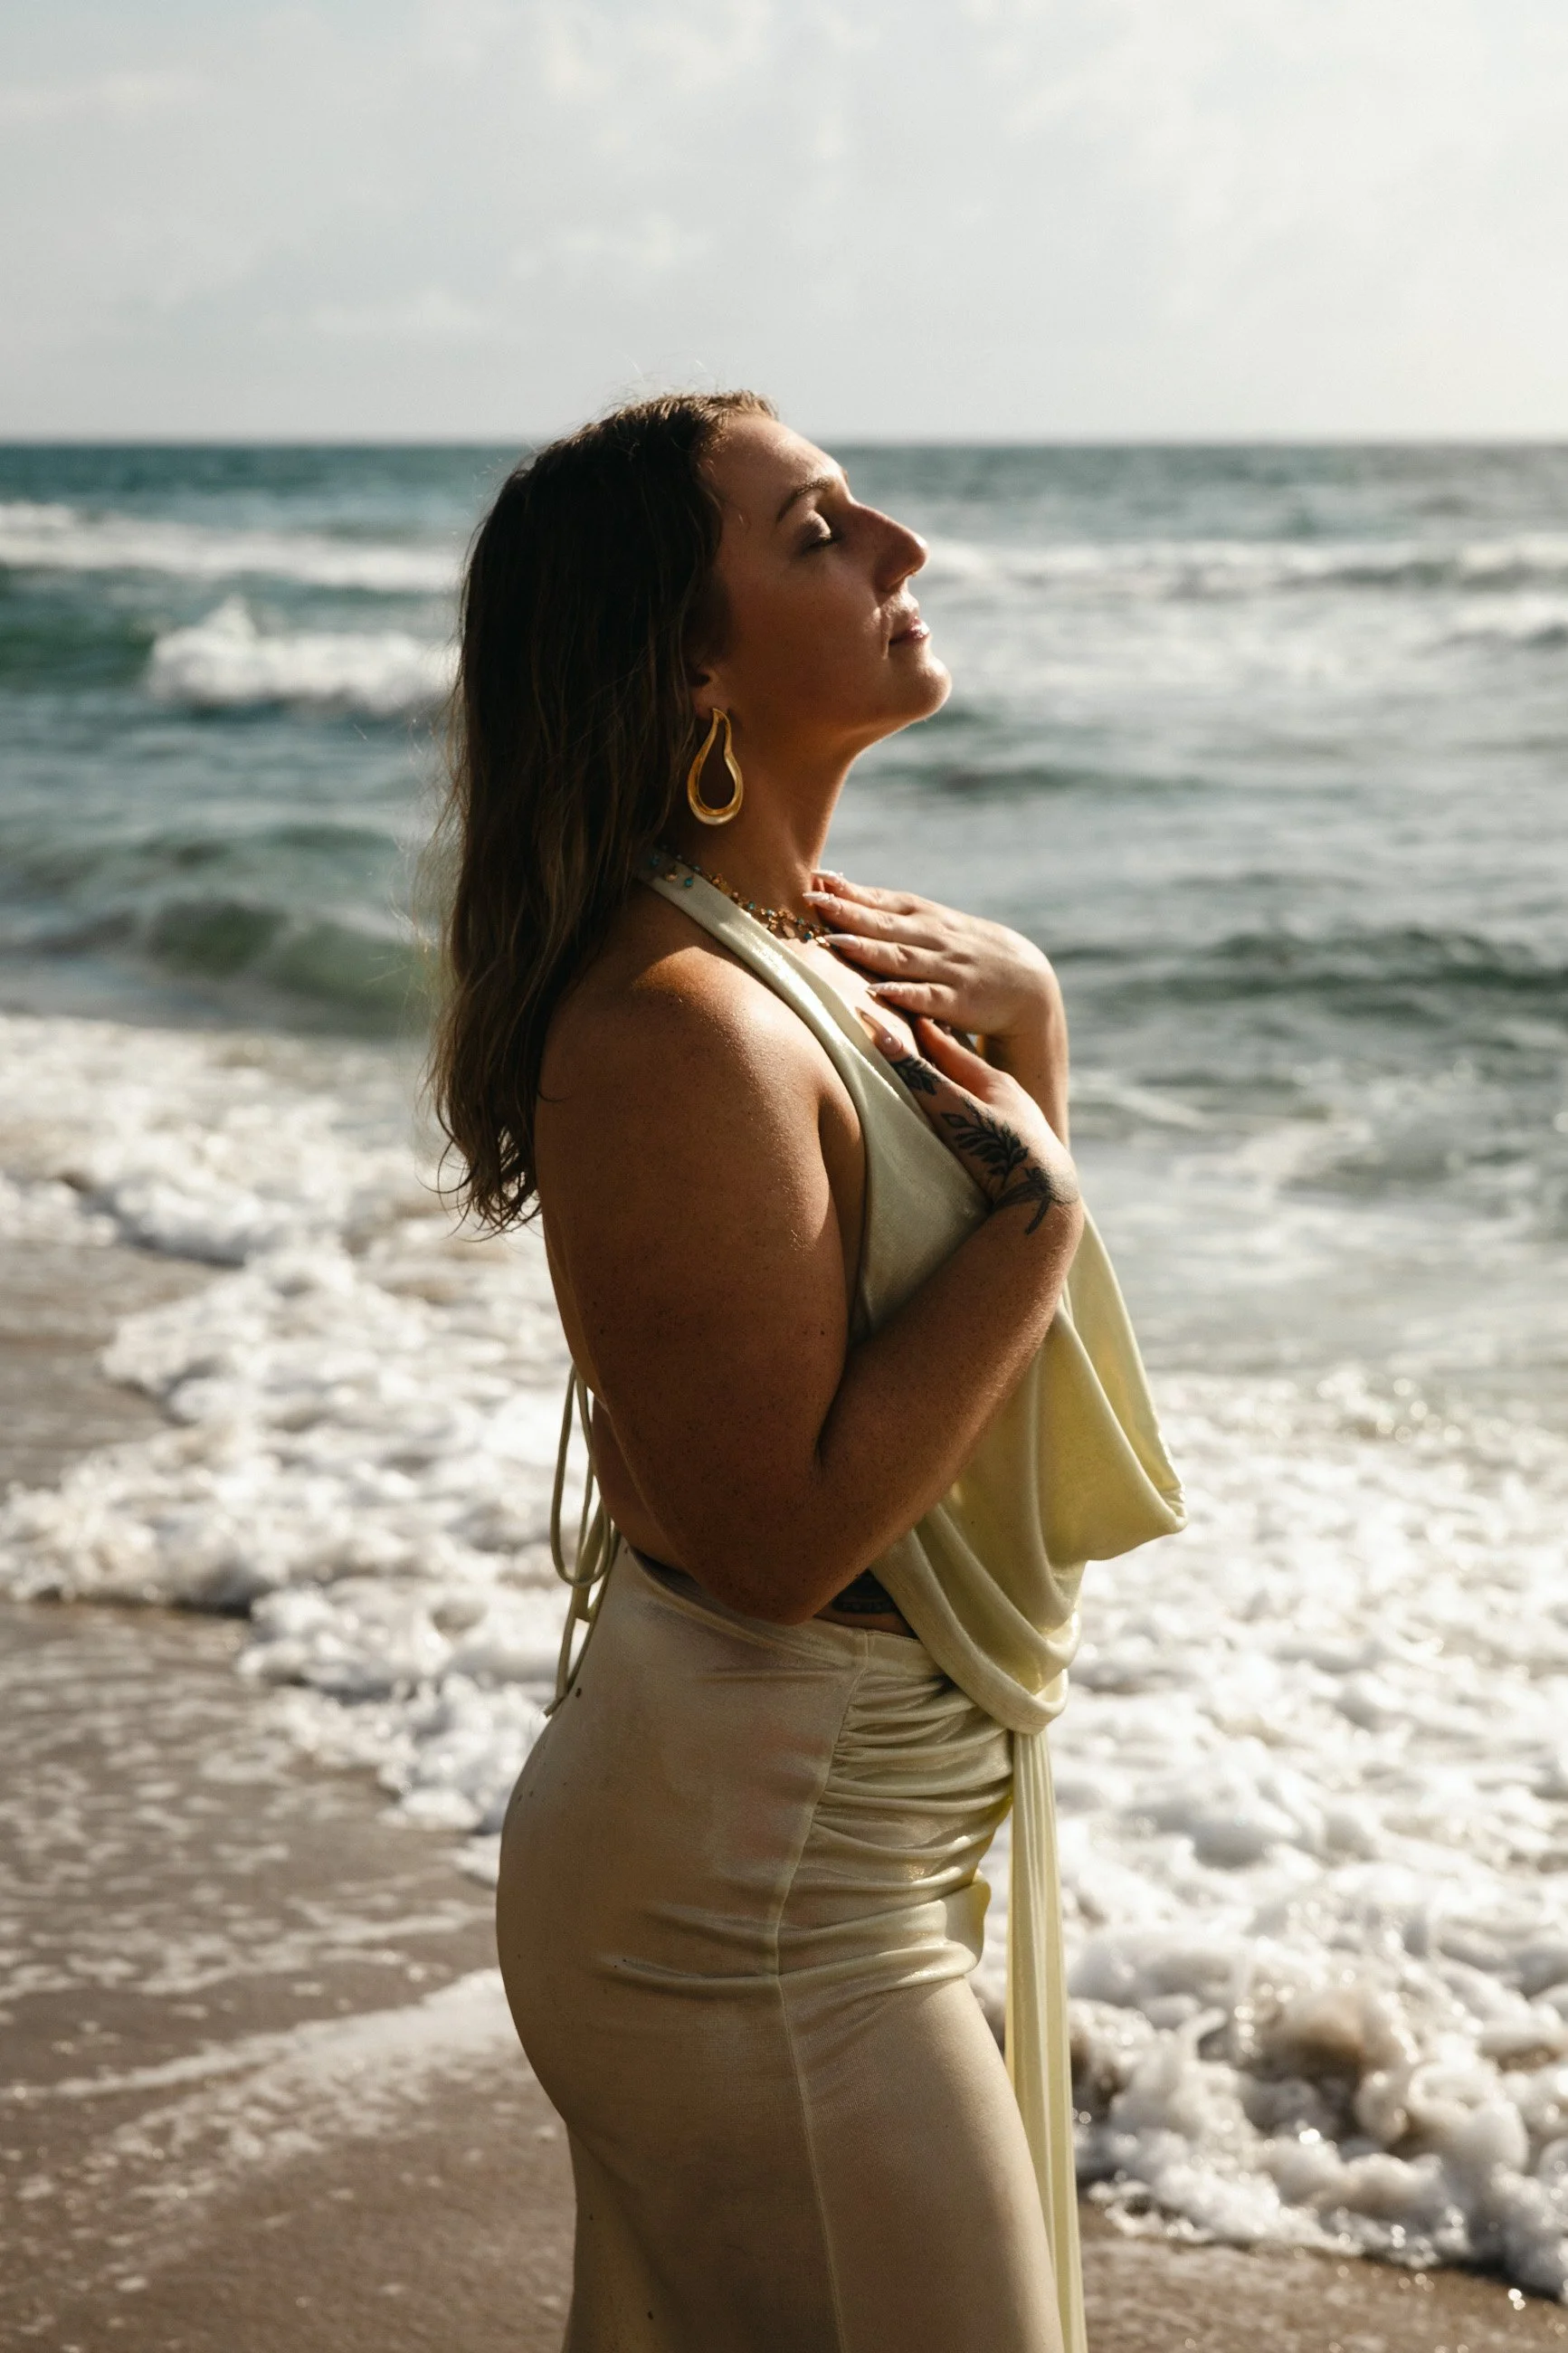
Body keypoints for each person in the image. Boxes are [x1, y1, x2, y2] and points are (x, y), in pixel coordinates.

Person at [431, 390, 1184, 2353]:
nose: (899, 551)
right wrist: (1036, 1204)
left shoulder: (788, 965)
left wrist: (1034, 1038)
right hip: (745, 1912)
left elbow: (992, 1410)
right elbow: (775, 1539)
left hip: (818, 1865)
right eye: (818, 530)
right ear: (689, 661)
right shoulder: (675, 1024)